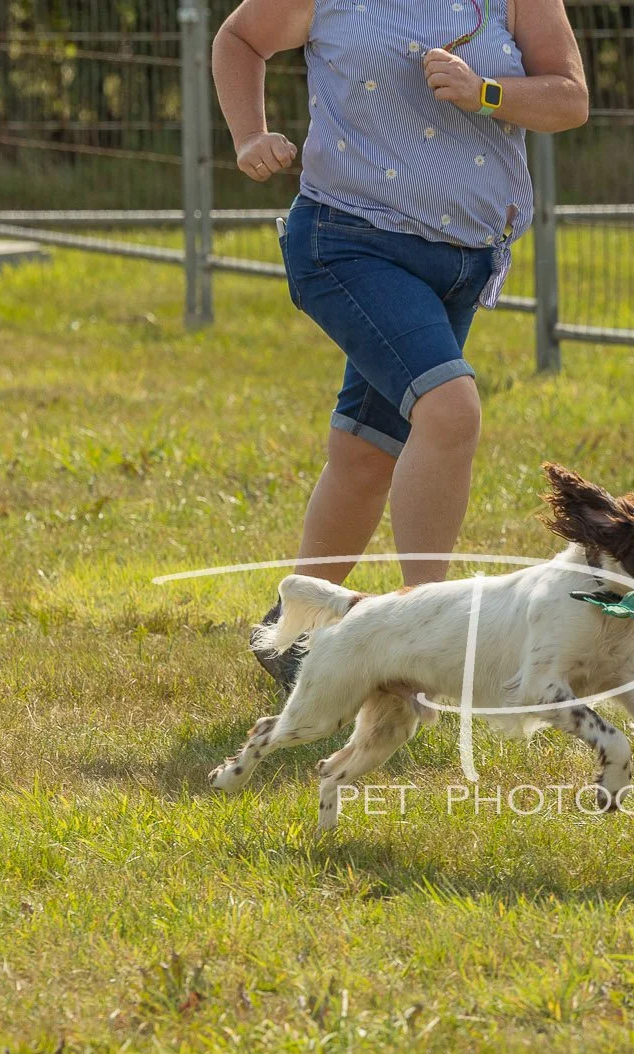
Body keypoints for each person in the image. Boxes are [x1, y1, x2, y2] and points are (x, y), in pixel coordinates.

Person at [212, 0, 587, 687]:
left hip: (462, 258)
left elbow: (569, 100)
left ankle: (293, 633)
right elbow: (239, 38)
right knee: (450, 411)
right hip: (347, 241)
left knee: (366, 453)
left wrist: (487, 93)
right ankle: (427, 641)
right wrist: (249, 136)